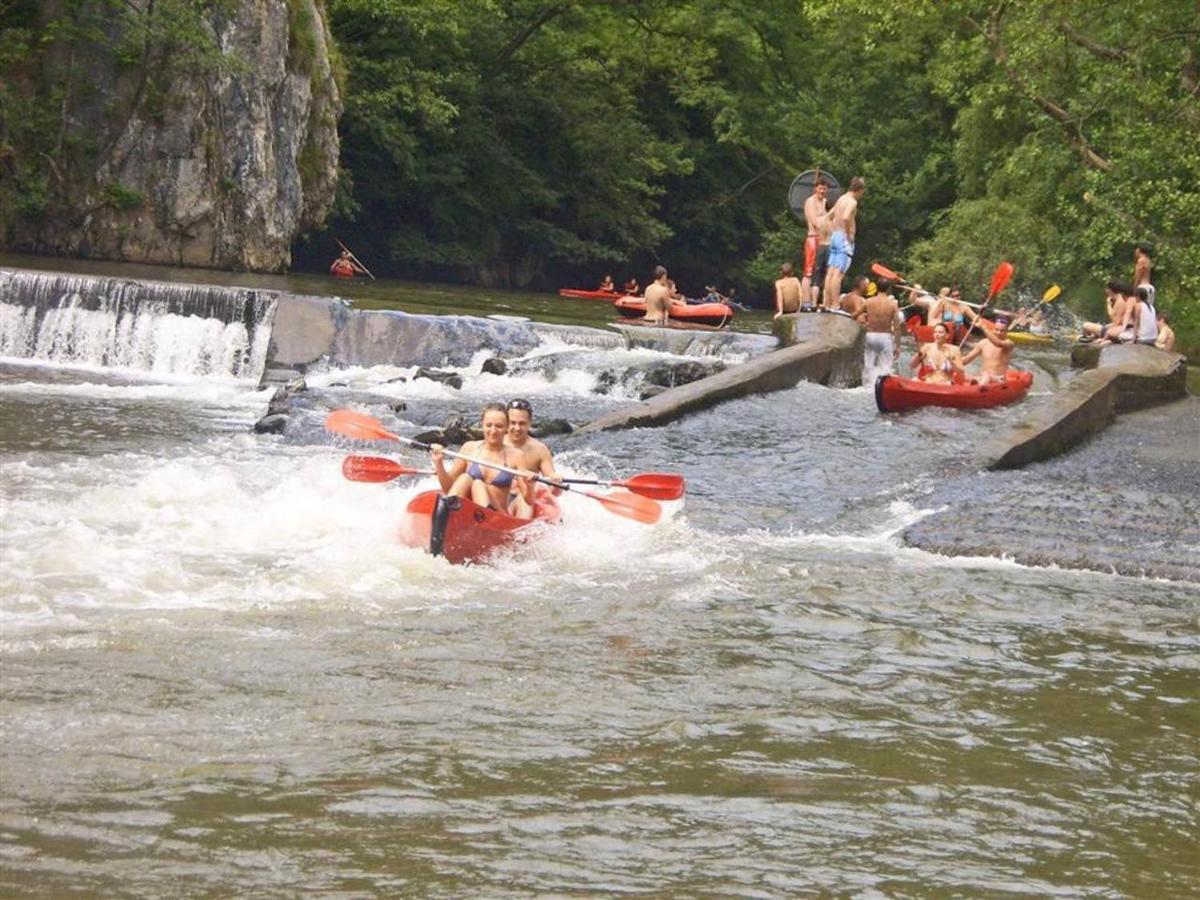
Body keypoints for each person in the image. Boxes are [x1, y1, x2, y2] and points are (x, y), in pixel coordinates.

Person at [430, 404, 536, 518]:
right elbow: (448, 489)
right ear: (482, 425)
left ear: (507, 427)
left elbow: (528, 501)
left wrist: (529, 485)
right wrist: (439, 464)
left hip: (498, 517)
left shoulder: (516, 455)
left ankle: (482, 520)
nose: (493, 431)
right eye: (489, 425)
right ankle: (445, 515)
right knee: (465, 478)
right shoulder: (469, 448)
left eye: (499, 426)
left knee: (478, 484)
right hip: (469, 515)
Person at [822, 176, 865, 311]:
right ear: (859, 190)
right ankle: (835, 305)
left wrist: (833, 230)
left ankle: (827, 303)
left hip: (835, 237)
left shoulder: (841, 198)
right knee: (838, 274)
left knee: (830, 272)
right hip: (844, 240)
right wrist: (848, 234)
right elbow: (846, 217)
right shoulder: (852, 201)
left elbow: (828, 216)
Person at [504, 398, 563, 492]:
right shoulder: (495, 443)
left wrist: (556, 484)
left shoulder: (540, 450)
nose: (517, 428)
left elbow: (554, 491)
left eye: (522, 423)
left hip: (526, 497)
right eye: (513, 423)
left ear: (530, 422)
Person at [862, 278, 902, 384]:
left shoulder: (868, 302)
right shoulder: (893, 305)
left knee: (868, 365)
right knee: (886, 368)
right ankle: (881, 386)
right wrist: (897, 346)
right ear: (888, 289)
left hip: (870, 335)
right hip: (885, 336)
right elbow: (897, 327)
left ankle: (867, 385)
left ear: (876, 288)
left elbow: (856, 315)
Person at [801, 177, 830, 308]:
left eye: (824, 188)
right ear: (815, 189)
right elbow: (814, 221)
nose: (822, 191)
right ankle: (806, 301)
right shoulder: (810, 202)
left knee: (825, 272)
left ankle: (822, 302)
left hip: (825, 240)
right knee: (809, 271)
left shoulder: (826, 202)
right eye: (820, 188)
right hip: (813, 238)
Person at [961, 316, 1015, 382]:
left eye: (1002, 331)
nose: (998, 333)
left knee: (987, 374)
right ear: (993, 329)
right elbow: (967, 359)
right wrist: (951, 362)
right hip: (983, 378)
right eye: (996, 329)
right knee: (961, 373)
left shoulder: (1009, 343)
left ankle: (979, 386)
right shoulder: (983, 343)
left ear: (1007, 331)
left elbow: (998, 343)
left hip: (998, 379)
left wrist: (983, 327)